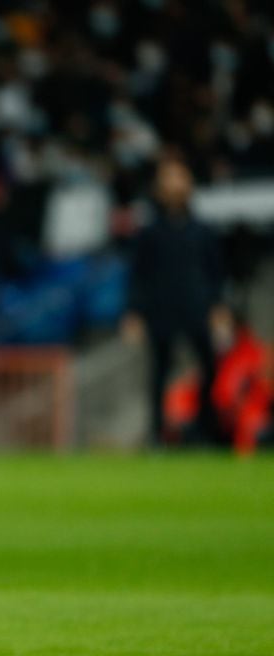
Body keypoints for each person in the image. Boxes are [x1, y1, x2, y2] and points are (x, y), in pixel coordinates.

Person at [122, 153, 229, 445]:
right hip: (161, 309)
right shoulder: (150, 232)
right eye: (169, 178)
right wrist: (133, 312)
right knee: (159, 372)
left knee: (210, 368)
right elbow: (138, 275)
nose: (175, 184)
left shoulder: (202, 231)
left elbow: (215, 273)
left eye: (180, 177)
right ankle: (157, 434)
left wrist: (218, 308)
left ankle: (208, 429)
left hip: (196, 307)